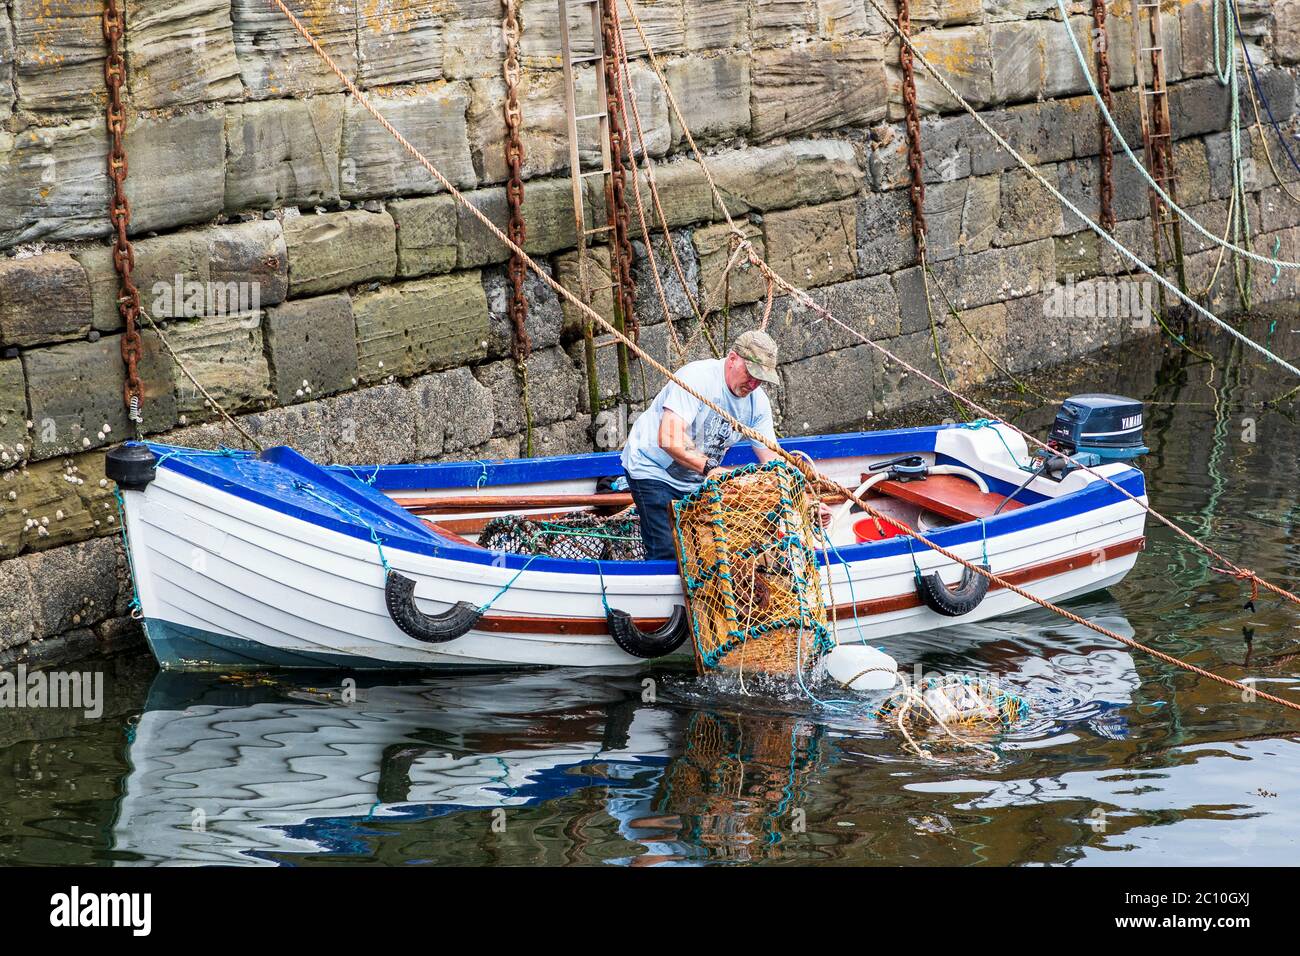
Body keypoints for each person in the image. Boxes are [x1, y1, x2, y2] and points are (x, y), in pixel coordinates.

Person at [620, 330, 783, 561]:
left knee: (712, 551)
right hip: (651, 467)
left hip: (695, 478)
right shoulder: (698, 378)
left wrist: (803, 497)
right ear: (732, 358)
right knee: (668, 552)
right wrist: (711, 469)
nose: (753, 384)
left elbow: (773, 460)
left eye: (761, 379)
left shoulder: (758, 404)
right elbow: (669, 437)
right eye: (750, 373)